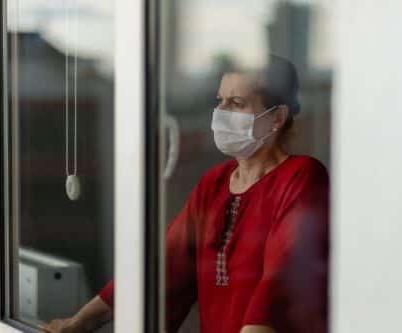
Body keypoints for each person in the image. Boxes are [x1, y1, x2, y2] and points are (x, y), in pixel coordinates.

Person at [40, 55, 329, 333]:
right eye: (221, 101)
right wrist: (79, 323)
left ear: (277, 117)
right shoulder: (214, 184)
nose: (222, 113)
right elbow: (163, 269)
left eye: (237, 103)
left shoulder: (302, 177)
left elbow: (278, 288)